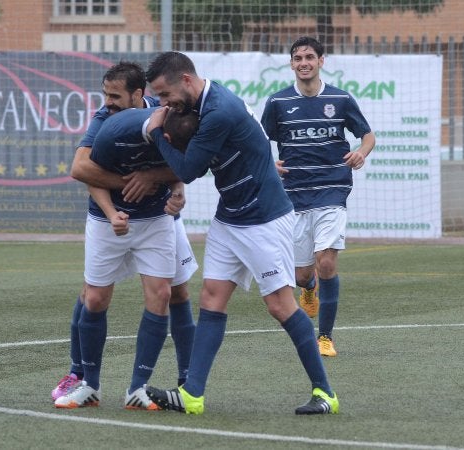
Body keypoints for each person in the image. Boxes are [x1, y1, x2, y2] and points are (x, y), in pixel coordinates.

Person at [143, 51, 339, 416]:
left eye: (165, 95)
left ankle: (325, 393)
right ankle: (192, 395)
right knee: (212, 297)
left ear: (186, 80)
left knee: (280, 306)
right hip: (231, 217)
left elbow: (188, 170)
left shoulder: (219, 111)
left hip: (264, 219)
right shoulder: (199, 105)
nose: (162, 103)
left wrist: (155, 133)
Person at [51, 62, 199, 410]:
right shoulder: (104, 122)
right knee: (95, 298)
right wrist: (122, 196)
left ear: (138, 95)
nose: (108, 102)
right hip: (108, 221)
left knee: (166, 292)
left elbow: (181, 160)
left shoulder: (166, 116)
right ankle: (86, 381)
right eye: (105, 95)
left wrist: (174, 187)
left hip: (157, 220)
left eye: (115, 96)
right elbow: (84, 171)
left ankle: (142, 386)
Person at [261, 36, 376, 357]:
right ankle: (308, 288)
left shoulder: (339, 99)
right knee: (302, 275)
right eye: (298, 58)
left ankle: (325, 337)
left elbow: (367, 135)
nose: (303, 63)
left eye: (309, 57)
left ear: (321, 61)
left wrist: (361, 153)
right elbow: (258, 140)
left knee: (326, 261)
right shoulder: (278, 103)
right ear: (291, 64)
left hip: (332, 190)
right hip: (293, 196)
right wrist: (268, 163)